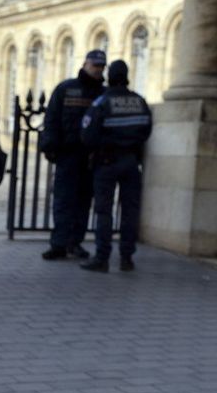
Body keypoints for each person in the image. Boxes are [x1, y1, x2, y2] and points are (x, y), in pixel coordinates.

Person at [79, 60, 152, 273]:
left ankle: (102, 258)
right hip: (131, 162)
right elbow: (146, 131)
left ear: (110, 77)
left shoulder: (102, 103)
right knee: (130, 211)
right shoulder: (139, 101)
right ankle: (127, 258)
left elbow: (87, 135)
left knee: (104, 211)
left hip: (106, 162)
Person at [39, 50, 106, 260]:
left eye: (101, 66)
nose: (97, 69)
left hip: (91, 156)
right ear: (85, 64)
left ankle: (75, 242)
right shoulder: (66, 88)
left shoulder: (104, 94)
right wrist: (49, 145)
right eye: (94, 65)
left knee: (83, 201)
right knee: (63, 200)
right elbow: (52, 118)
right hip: (68, 153)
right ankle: (59, 243)